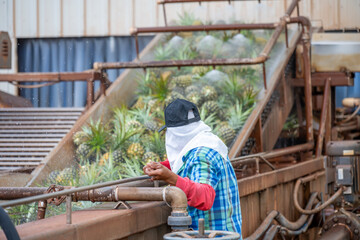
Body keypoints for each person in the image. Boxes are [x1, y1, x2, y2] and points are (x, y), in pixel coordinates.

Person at [143, 98, 242, 237]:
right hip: (226, 233)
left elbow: (205, 196)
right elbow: (186, 164)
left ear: (175, 133)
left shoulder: (201, 156)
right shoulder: (208, 143)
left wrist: (170, 177)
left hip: (212, 236)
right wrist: (162, 167)